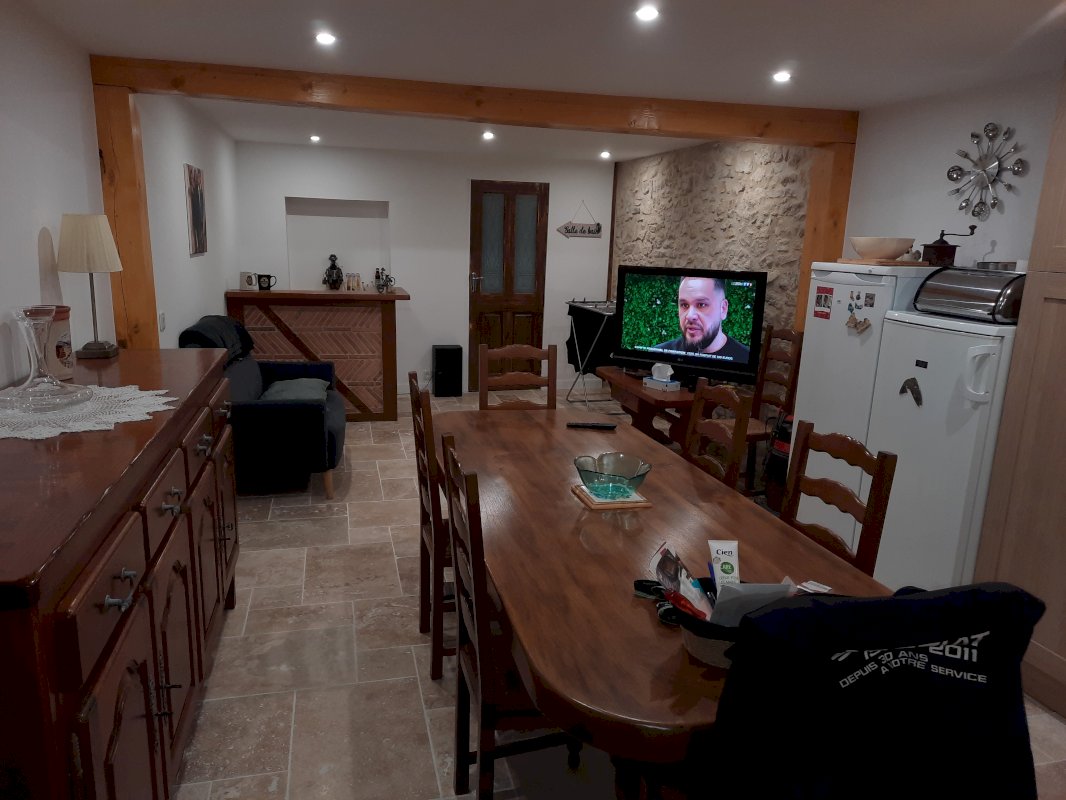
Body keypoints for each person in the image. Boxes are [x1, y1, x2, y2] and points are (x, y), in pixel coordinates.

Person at [653, 276, 750, 360]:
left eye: (701, 305)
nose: (690, 316)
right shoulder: (659, 354)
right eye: (684, 305)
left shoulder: (745, 358)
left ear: (723, 309)